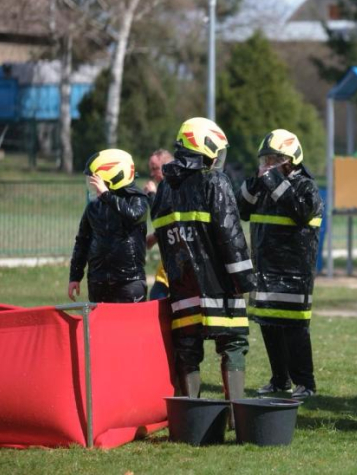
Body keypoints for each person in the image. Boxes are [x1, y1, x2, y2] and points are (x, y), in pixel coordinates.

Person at [151, 117, 256, 425]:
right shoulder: (215, 181)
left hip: (182, 287)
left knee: (187, 349)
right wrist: (244, 280)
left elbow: (166, 242)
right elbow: (230, 235)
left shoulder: (162, 191)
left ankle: (190, 420)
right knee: (234, 344)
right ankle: (238, 419)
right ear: (204, 148)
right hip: (220, 285)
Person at [237, 129, 324, 400]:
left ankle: (305, 383)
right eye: (266, 159)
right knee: (269, 325)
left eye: (275, 159)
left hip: (294, 273)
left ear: (290, 159)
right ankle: (279, 380)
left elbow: (300, 211)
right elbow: (241, 210)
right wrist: (254, 182)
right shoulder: (265, 185)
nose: (268, 164)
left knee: (295, 330)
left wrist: (273, 180)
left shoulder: (305, 186)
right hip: (265, 269)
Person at [68, 149, 148, 303]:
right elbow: (82, 242)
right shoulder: (93, 207)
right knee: (99, 327)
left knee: (129, 326)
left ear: (113, 179)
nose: (92, 186)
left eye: (97, 182)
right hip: (98, 281)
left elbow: (133, 215)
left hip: (129, 281)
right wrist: (75, 276)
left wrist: (106, 195)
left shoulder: (137, 199)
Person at [143, 149, 173, 300]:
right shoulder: (165, 187)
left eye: (155, 168)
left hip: (177, 261)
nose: (152, 173)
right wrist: (154, 237)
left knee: (157, 299)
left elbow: (162, 219)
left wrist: (151, 196)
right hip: (168, 260)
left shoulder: (173, 187)